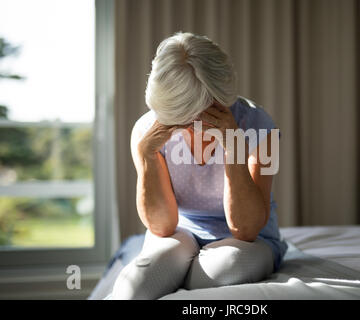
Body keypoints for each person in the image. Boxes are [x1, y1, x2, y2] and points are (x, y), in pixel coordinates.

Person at [110, 32, 287, 300]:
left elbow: (247, 229)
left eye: (202, 112)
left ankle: (185, 274)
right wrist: (147, 157)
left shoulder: (261, 126)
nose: (193, 125)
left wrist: (233, 146)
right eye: (182, 115)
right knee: (137, 283)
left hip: (250, 241)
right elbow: (162, 227)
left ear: (220, 98)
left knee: (224, 269)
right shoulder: (147, 130)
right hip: (180, 233)